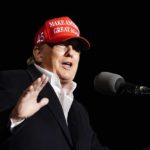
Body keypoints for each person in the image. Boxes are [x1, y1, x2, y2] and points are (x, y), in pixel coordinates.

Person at [0, 16, 109, 150]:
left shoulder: (79, 111)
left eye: (77, 49)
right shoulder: (11, 80)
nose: (71, 53)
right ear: (38, 52)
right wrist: (14, 119)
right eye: (62, 44)